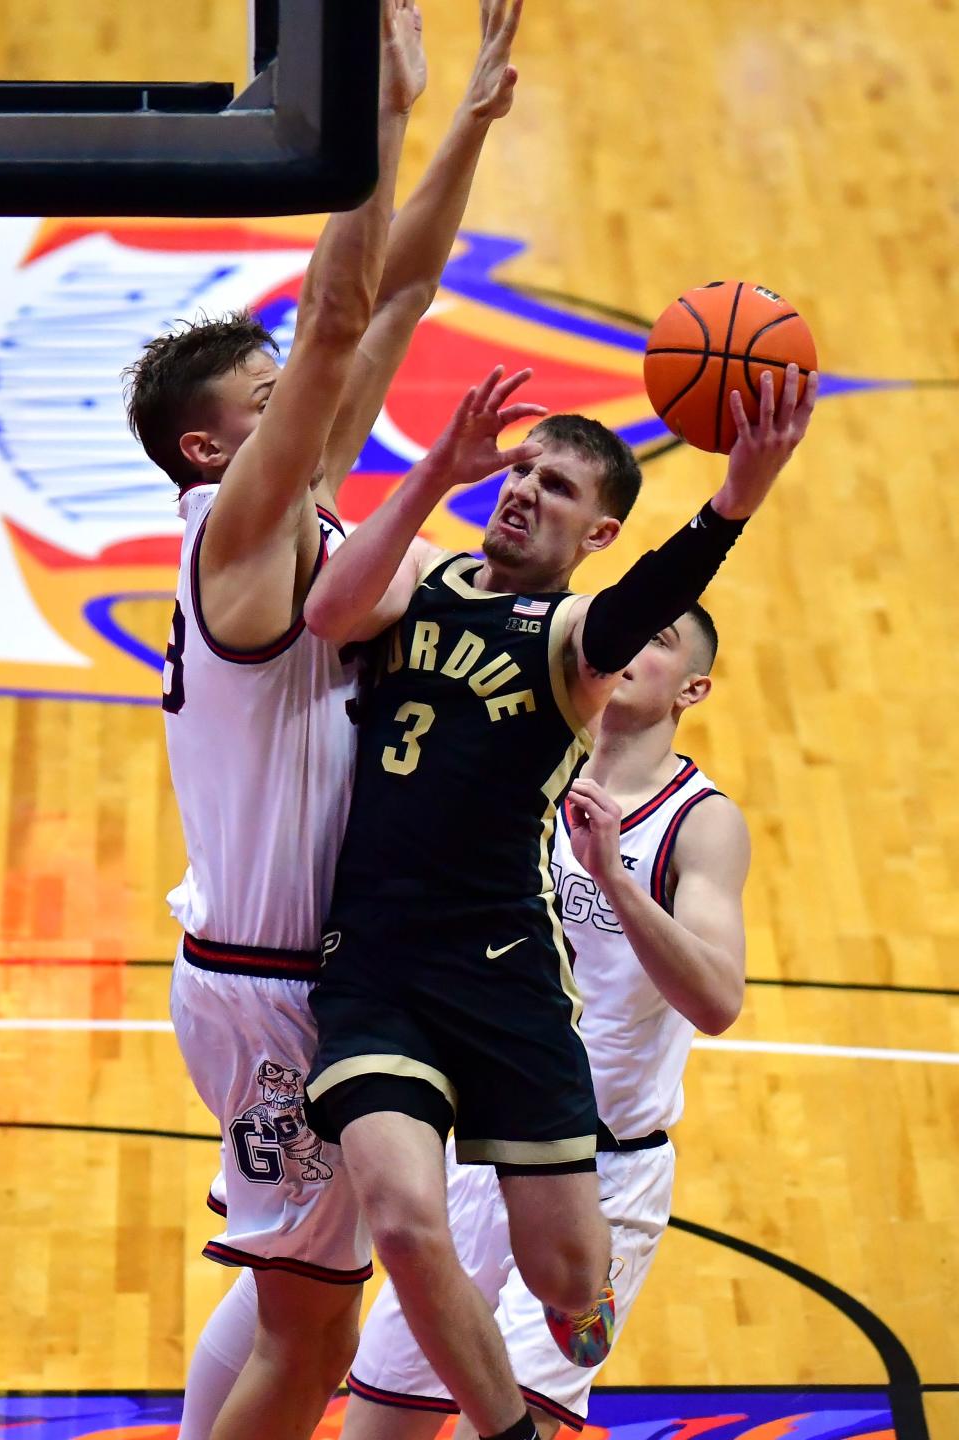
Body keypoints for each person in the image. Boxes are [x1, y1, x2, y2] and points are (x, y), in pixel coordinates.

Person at [122, 5, 530, 1438]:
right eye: (269, 393)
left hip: (311, 965)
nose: (302, 397)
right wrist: (367, 122)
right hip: (275, 978)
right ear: (208, 443)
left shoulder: (292, 514)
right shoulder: (233, 535)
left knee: (296, 1300)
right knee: (312, 1339)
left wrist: (460, 117)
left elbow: (397, 301)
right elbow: (344, 314)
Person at [301, 358, 817, 1440]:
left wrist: (736, 502)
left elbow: (643, 605)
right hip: (375, 969)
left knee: (568, 1286)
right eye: (524, 469)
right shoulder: (422, 576)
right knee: (400, 1218)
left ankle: (587, 1285)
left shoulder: (574, 640)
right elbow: (326, 612)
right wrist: (437, 468)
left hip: (505, 980)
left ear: (598, 535)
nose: (527, 487)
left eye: (561, 486)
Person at [336, 602, 747, 1440]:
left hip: (604, 1175)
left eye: (658, 641)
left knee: (522, 1426)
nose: (630, 643)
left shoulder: (700, 821)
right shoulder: (519, 771)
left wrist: (617, 880)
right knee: (377, 1424)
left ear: (693, 689)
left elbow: (718, 1001)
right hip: (485, 1150)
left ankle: (593, 1285)